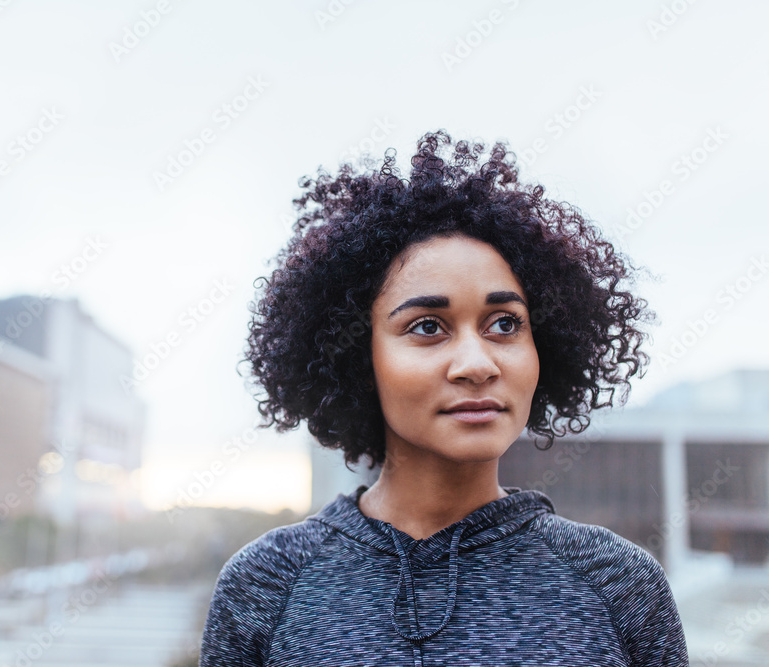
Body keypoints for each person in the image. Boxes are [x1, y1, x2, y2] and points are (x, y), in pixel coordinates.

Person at [198, 130, 689, 666]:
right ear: (360, 358)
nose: (477, 364)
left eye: (505, 323)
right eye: (428, 326)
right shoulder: (267, 585)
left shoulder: (619, 585)